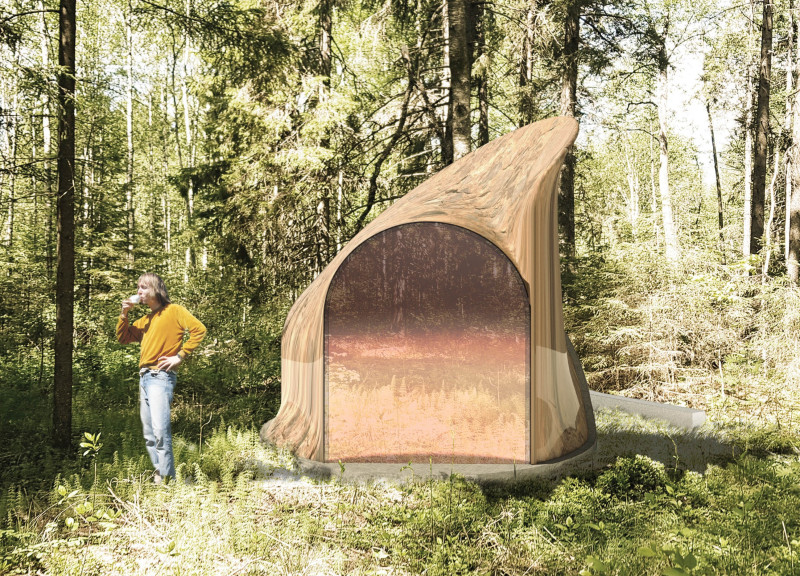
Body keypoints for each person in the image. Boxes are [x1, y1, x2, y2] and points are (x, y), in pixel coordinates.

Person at [116, 273, 206, 484]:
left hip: (161, 377)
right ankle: (160, 478)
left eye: (143, 287)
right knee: (149, 434)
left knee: (160, 432)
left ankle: (168, 482)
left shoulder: (174, 311)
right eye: (138, 287)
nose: (139, 291)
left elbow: (199, 330)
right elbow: (123, 338)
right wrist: (124, 314)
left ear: (156, 290)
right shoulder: (145, 320)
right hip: (144, 378)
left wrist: (180, 356)